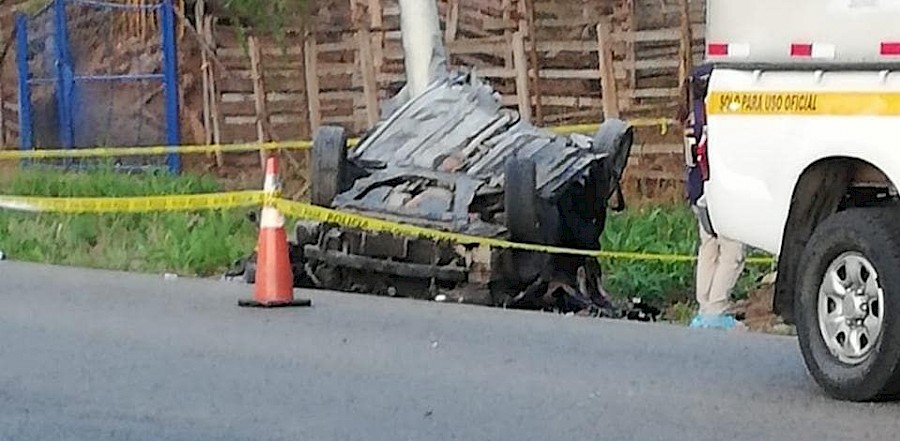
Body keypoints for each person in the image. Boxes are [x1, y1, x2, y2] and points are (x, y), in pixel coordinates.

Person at [679, 65, 746, 330]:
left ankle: (704, 305)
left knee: (708, 246)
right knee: (733, 249)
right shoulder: (712, 115)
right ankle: (716, 308)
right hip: (715, 189)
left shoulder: (690, 116)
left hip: (696, 188)